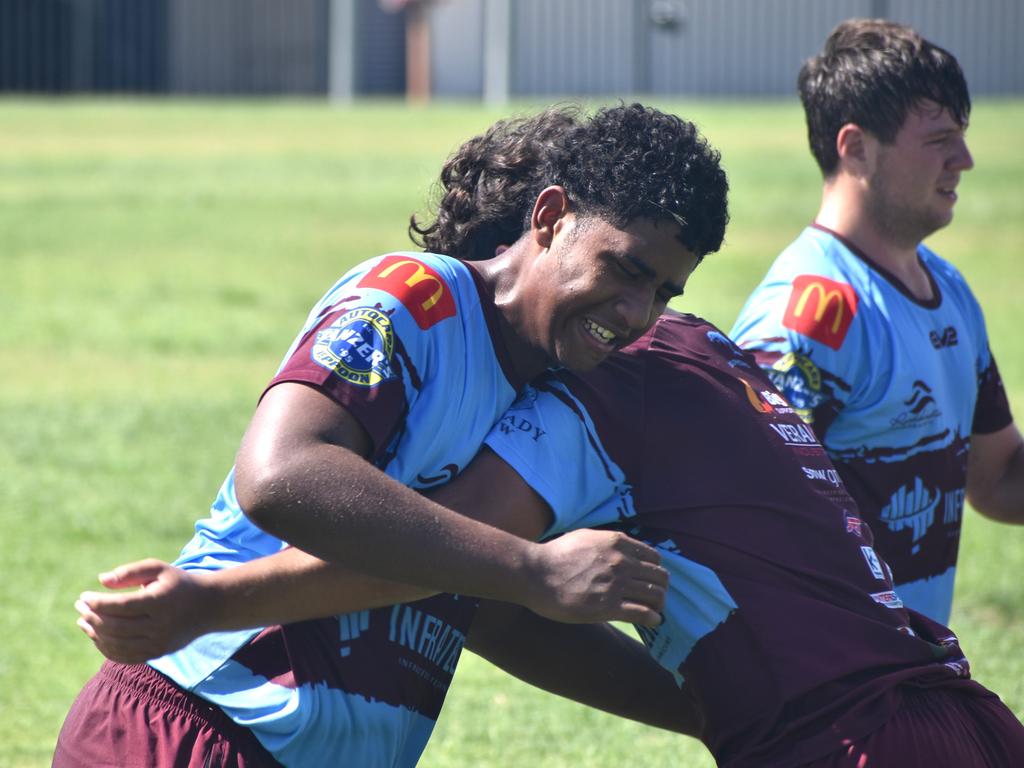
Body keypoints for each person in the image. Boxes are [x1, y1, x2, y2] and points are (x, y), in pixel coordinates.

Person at [55, 103, 730, 768]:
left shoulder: (552, 396)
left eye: (665, 294)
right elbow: (280, 473)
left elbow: (486, 605)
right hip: (199, 724)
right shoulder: (417, 299)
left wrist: (735, 717)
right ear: (551, 219)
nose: (638, 313)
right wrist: (531, 567)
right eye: (627, 270)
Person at [75, 310, 1024, 767]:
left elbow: (456, 555)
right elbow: (486, 591)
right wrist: (706, 709)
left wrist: (209, 601)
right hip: (959, 715)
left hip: (847, 746)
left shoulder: (608, 380)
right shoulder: (712, 356)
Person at [730, 18, 1024, 624]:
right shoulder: (810, 316)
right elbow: (739, 517)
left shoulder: (949, 290)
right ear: (856, 147)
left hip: (913, 678)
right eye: (940, 139)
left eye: (962, 136)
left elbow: (998, 482)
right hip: (831, 692)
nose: (964, 160)